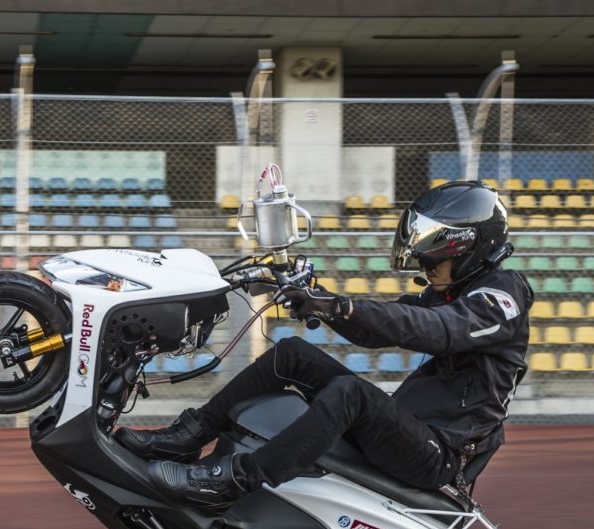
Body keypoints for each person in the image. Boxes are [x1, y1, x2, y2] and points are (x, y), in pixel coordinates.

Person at [116, 180, 533, 509]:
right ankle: (187, 436)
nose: (423, 265)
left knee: (349, 393)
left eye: (432, 256)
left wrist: (342, 306)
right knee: (291, 354)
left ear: (469, 247)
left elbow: (436, 329)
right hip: (413, 430)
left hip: (439, 454)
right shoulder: (452, 292)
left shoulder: (503, 293)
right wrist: (318, 299)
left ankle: (234, 480)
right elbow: (379, 328)